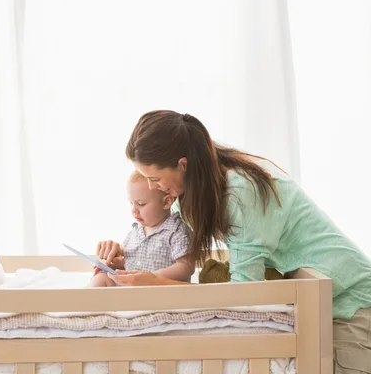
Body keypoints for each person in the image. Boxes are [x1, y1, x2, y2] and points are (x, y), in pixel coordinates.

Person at [108, 110, 371, 372]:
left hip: (350, 302)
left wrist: (157, 284)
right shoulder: (194, 194)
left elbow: (245, 293)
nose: (153, 187)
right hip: (319, 301)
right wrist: (124, 253)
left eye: (155, 178)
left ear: (183, 165)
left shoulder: (239, 192)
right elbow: (162, 235)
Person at [88, 171, 194, 287]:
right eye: (131, 203)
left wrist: (153, 277)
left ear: (166, 202)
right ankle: (80, 302)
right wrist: (112, 267)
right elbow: (132, 263)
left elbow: (186, 266)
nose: (134, 210)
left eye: (141, 204)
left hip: (159, 291)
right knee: (101, 279)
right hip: (132, 291)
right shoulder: (135, 232)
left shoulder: (177, 230)